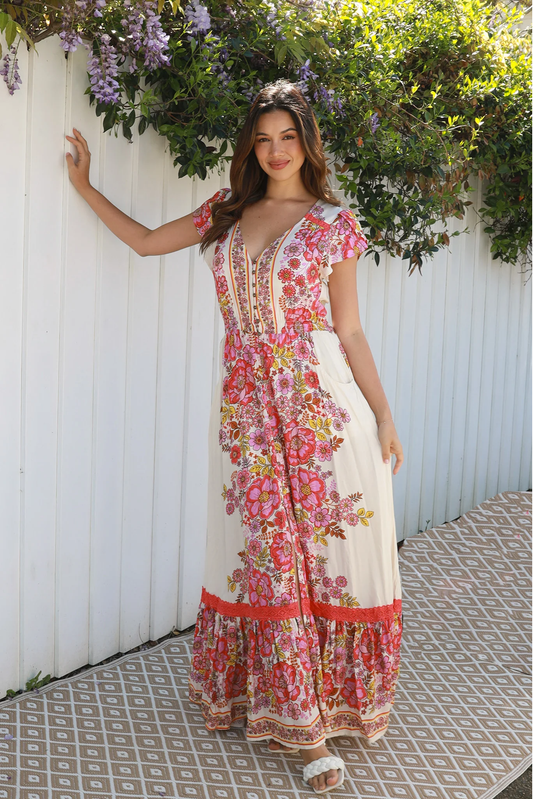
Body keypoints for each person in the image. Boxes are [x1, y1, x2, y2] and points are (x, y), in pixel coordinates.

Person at [66, 79, 404, 795]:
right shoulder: (224, 212)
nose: (275, 151)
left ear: (307, 144)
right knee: (267, 555)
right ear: (249, 146)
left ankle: (315, 718)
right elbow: (145, 242)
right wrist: (86, 187)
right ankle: (300, 724)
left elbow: (348, 329)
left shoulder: (333, 224)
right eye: (263, 138)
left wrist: (383, 412)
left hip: (321, 410)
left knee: (325, 557)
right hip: (247, 413)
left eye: (287, 137)